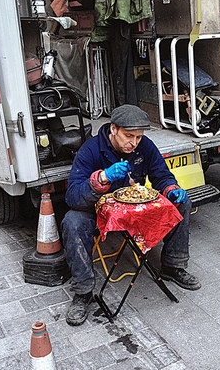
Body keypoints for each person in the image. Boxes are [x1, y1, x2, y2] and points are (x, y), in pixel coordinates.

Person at [62, 104, 200, 326]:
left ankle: (173, 266)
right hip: (99, 211)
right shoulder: (90, 150)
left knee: (182, 204)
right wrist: (101, 179)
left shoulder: (144, 146)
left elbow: (161, 175)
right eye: (128, 136)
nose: (133, 142)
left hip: (134, 210)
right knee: (72, 221)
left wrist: (171, 189)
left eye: (138, 137)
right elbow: (72, 197)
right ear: (113, 129)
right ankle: (83, 292)